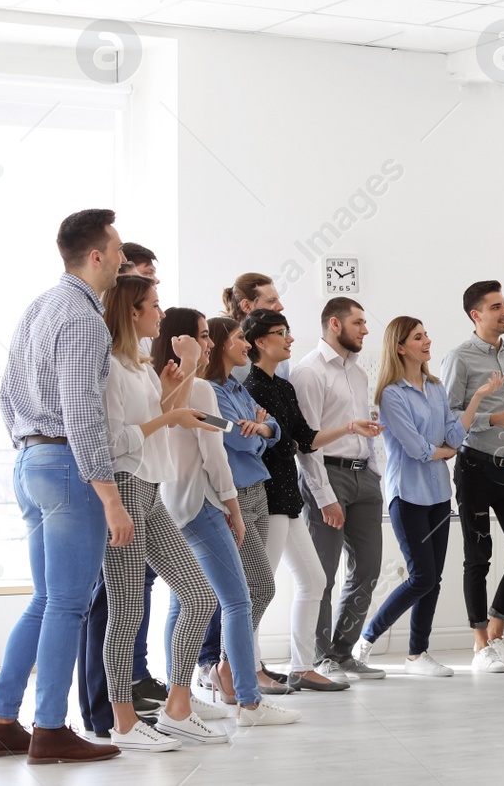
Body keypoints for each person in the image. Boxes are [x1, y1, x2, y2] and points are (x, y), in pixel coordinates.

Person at [0, 210, 131, 764]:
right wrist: (110, 497)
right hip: (68, 465)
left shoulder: (40, 306)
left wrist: (32, 450)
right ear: (96, 256)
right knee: (68, 604)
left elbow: (6, 393)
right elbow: (83, 413)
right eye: (117, 249)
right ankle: (50, 729)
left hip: (31, 460)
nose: (122, 258)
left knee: (45, 601)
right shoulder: (86, 319)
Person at [155, 309, 299, 741]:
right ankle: (249, 702)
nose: (208, 344)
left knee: (186, 601)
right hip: (204, 501)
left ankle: (180, 695)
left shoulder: (167, 387)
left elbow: (218, 428)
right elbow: (218, 452)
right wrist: (233, 508)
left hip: (171, 502)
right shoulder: (197, 387)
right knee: (237, 600)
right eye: (203, 337)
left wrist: (257, 426)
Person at [352, 318, 501, 677]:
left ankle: (417, 655)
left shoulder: (435, 387)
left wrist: (478, 397)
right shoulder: (390, 394)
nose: (427, 341)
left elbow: (453, 433)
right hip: (407, 495)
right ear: (400, 347)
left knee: (433, 579)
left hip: (437, 494)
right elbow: (417, 449)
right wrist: (443, 451)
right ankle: (366, 639)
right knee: (421, 577)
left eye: (426, 335)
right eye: (418, 337)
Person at [240, 311, 380, 687]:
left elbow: (305, 438)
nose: (289, 338)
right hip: (265, 497)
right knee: (260, 587)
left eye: (288, 331)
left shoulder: (283, 388)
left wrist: (350, 426)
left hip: (288, 499)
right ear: (259, 342)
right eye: (280, 333)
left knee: (314, 581)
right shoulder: (251, 387)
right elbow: (263, 443)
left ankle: (302, 668)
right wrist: (276, 435)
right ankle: (246, 671)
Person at [81, 239, 163, 736]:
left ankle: (133, 710)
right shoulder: (110, 365)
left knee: (135, 604)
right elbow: (113, 441)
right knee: (119, 606)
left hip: (149, 484)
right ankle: (113, 717)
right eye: (153, 303)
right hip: (127, 484)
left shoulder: (138, 364)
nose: (161, 310)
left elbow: (155, 419)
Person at [439, 281, 504, 674]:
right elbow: (449, 418)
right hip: (475, 468)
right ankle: (480, 645)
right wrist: (492, 419)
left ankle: (497, 633)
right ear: (475, 315)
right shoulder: (459, 358)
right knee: (478, 558)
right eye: (497, 306)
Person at [196, 317, 298, 697]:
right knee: (256, 586)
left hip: (258, 490)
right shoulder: (209, 390)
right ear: (224, 345)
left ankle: (229, 667)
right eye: (240, 339)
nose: (246, 345)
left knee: (252, 587)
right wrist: (258, 434)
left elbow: (274, 430)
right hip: (232, 496)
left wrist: (263, 430)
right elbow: (237, 440)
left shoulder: (236, 386)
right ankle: (228, 666)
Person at [295, 298, 385, 681]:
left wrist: (374, 472)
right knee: (323, 574)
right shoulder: (308, 372)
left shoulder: (359, 373)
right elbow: (306, 442)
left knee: (367, 568)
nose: (366, 329)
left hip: (364, 476)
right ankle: (321, 657)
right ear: (335, 324)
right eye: (359, 322)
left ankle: (344, 651)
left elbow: (364, 426)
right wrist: (325, 495)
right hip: (327, 476)